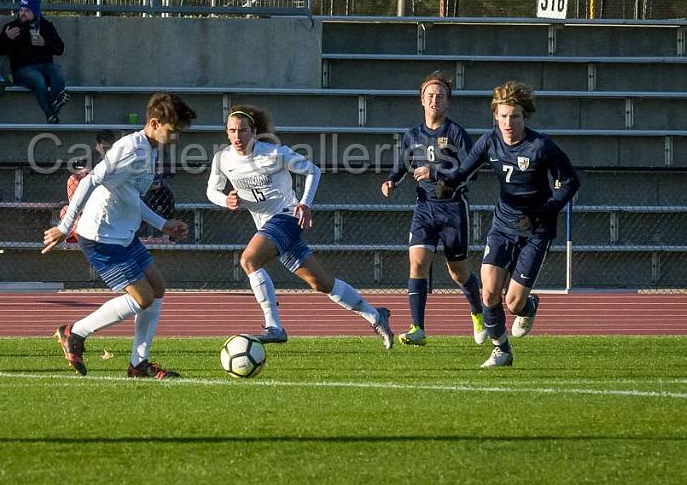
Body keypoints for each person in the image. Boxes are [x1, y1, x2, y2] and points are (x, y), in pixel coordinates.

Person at [207, 104, 394, 348]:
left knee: (249, 260)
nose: (237, 136)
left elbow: (313, 171)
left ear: (253, 132)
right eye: (232, 131)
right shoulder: (223, 159)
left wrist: (305, 203)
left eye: (243, 131)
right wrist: (226, 200)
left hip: (287, 217)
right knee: (321, 282)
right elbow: (211, 190)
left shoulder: (274, 153)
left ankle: (274, 326)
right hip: (267, 226)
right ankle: (376, 315)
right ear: (226, 132)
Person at [425, 81, 580, 368]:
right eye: (504, 116)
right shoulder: (489, 141)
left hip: (536, 229)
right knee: (488, 290)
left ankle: (528, 306)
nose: (509, 122)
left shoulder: (541, 146)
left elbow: (570, 182)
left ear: (525, 117)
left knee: (513, 303)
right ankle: (501, 350)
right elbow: (463, 172)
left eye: (515, 116)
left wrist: (547, 210)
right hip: (502, 226)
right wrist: (444, 183)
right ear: (496, 115)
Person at [45, 93, 196, 378]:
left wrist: (163, 224)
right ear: (154, 123)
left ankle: (139, 364)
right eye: (172, 132)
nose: (175, 139)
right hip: (103, 235)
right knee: (143, 298)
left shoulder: (148, 149)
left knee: (157, 288)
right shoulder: (131, 148)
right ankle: (74, 332)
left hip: (123, 233)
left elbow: (129, 196)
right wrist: (65, 228)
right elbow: (89, 179)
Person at [381, 72, 485, 346]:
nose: (434, 100)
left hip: (453, 208)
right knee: (417, 262)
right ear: (422, 100)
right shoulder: (412, 135)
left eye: (440, 96)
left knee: (458, 272)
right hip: (424, 207)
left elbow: (470, 171)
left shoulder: (456, 133)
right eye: (430, 96)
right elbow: (402, 164)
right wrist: (391, 180)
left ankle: (478, 313)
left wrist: (436, 173)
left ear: (447, 102)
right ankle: (418, 328)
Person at [0, 0, 69, 123]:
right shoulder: (11, 27)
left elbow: (60, 48)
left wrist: (44, 43)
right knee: (38, 80)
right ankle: (50, 113)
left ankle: (52, 107)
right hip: (22, 70)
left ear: (35, 12)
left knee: (57, 74)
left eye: (27, 10)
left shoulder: (46, 26)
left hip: (45, 66)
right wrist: (7, 38)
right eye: (21, 10)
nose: (23, 13)